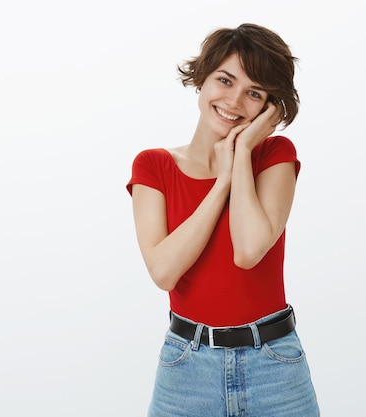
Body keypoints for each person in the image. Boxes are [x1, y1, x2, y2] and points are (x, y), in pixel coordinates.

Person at [126, 23, 319, 416]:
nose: (234, 101)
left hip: (275, 367)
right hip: (185, 370)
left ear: (269, 107)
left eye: (254, 93)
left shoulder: (273, 156)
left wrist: (244, 151)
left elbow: (248, 250)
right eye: (225, 80)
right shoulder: (154, 166)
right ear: (202, 78)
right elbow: (163, 272)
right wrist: (224, 181)